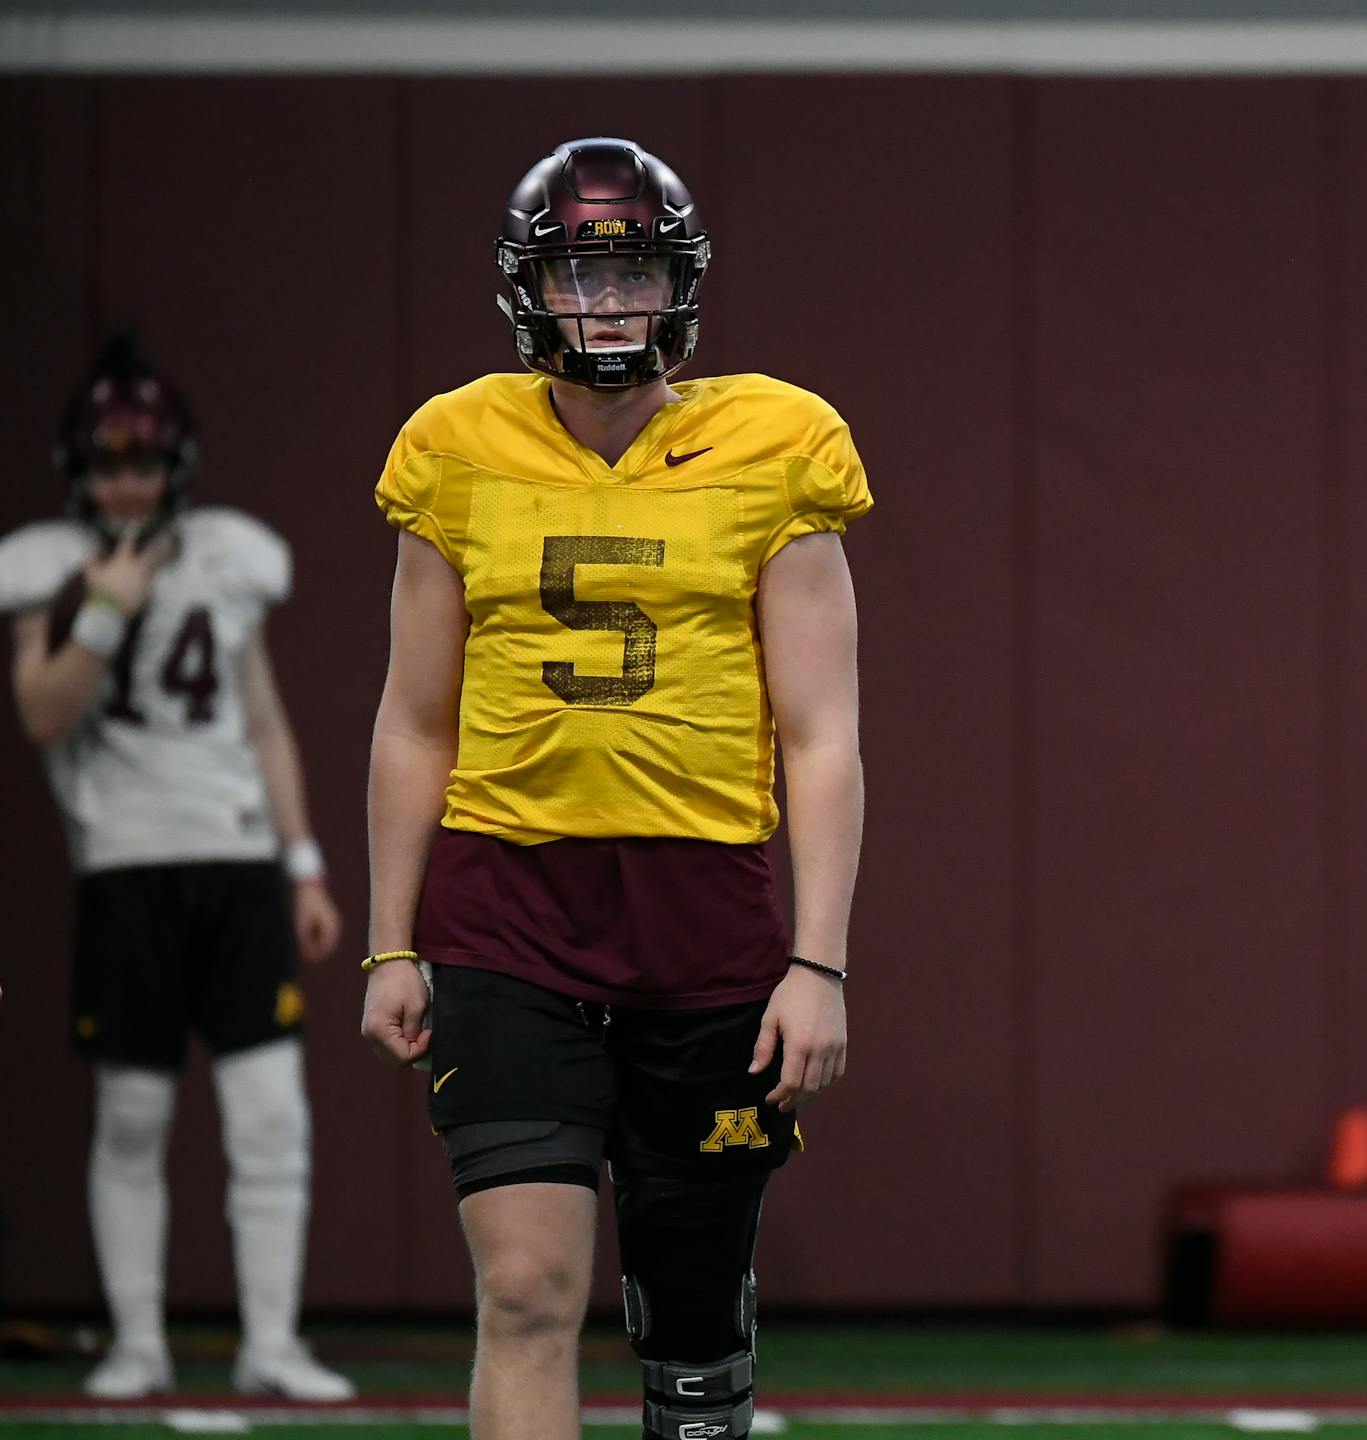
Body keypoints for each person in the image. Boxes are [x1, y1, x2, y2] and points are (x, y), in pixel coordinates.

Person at [359, 137, 868, 1440]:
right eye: (579, 275)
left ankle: (701, 1365)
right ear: (531, 289)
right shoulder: (457, 445)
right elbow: (416, 720)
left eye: (631, 271)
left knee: (691, 1332)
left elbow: (821, 734)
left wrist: (819, 961)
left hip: (704, 915)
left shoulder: (779, 441)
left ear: (677, 284)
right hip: (507, 907)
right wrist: (388, 943)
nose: (606, 305)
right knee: (525, 1293)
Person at [0, 335, 353, 1401]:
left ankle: (274, 1342)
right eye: (107, 466)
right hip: (128, 864)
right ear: (78, 472)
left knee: (269, 1112)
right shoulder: (43, 565)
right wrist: (108, 605)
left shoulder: (230, 555)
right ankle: (139, 1342)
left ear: (176, 466)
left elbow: (266, 722)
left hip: (240, 861)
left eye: (141, 464)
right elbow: (44, 714)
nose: (125, 483)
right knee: (135, 1115)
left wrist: (305, 865)